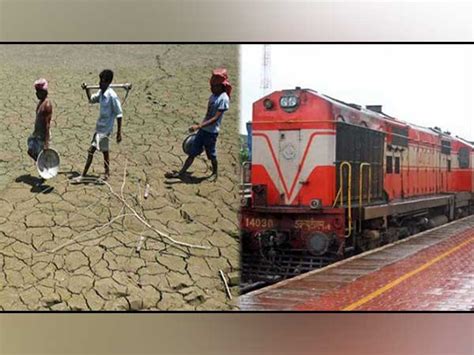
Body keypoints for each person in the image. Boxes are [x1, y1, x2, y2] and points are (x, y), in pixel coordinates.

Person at [165, 68, 232, 182]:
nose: (212, 88)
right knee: (192, 152)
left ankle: (215, 173)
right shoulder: (213, 96)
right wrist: (201, 127)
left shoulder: (224, 98)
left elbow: (215, 118)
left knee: (211, 155)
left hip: (211, 133)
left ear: (221, 86)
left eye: (214, 86)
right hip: (203, 130)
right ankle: (181, 173)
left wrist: (199, 126)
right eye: (211, 86)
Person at [74, 69, 123, 182]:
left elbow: (119, 114)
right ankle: (106, 173)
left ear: (108, 82)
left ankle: (85, 175)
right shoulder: (101, 93)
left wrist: (119, 133)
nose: (99, 83)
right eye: (100, 80)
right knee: (103, 152)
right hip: (99, 128)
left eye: (102, 81)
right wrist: (87, 90)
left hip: (105, 130)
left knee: (92, 150)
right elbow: (91, 100)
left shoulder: (112, 96)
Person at [27, 78, 53, 185]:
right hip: (37, 134)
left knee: (41, 155)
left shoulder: (46, 105)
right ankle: (43, 169)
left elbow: (47, 125)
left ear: (44, 92)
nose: (36, 94)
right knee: (31, 151)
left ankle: (43, 175)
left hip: (42, 136)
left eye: (38, 92)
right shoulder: (41, 103)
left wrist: (46, 143)